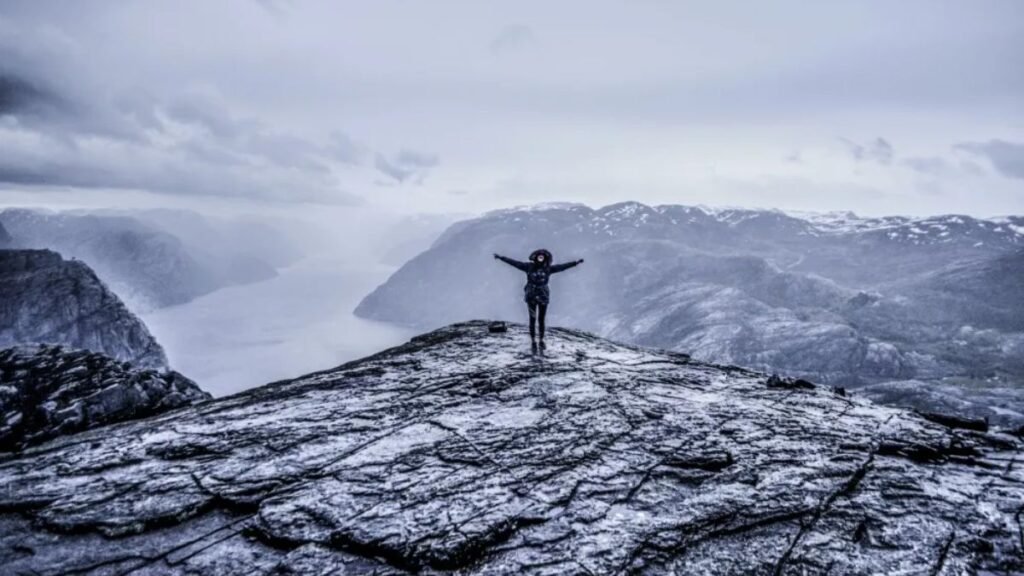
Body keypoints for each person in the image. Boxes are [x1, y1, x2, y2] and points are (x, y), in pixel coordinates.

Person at [494, 248, 584, 348]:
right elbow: (515, 263)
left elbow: (562, 267)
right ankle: (533, 341)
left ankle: (541, 340)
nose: (540, 257)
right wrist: (502, 258)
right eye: (539, 256)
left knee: (541, 319)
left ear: (545, 258)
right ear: (535, 257)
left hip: (543, 296)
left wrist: (575, 263)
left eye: (542, 256)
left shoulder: (548, 268)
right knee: (532, 319)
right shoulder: (528, 266)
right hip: (532, 295)